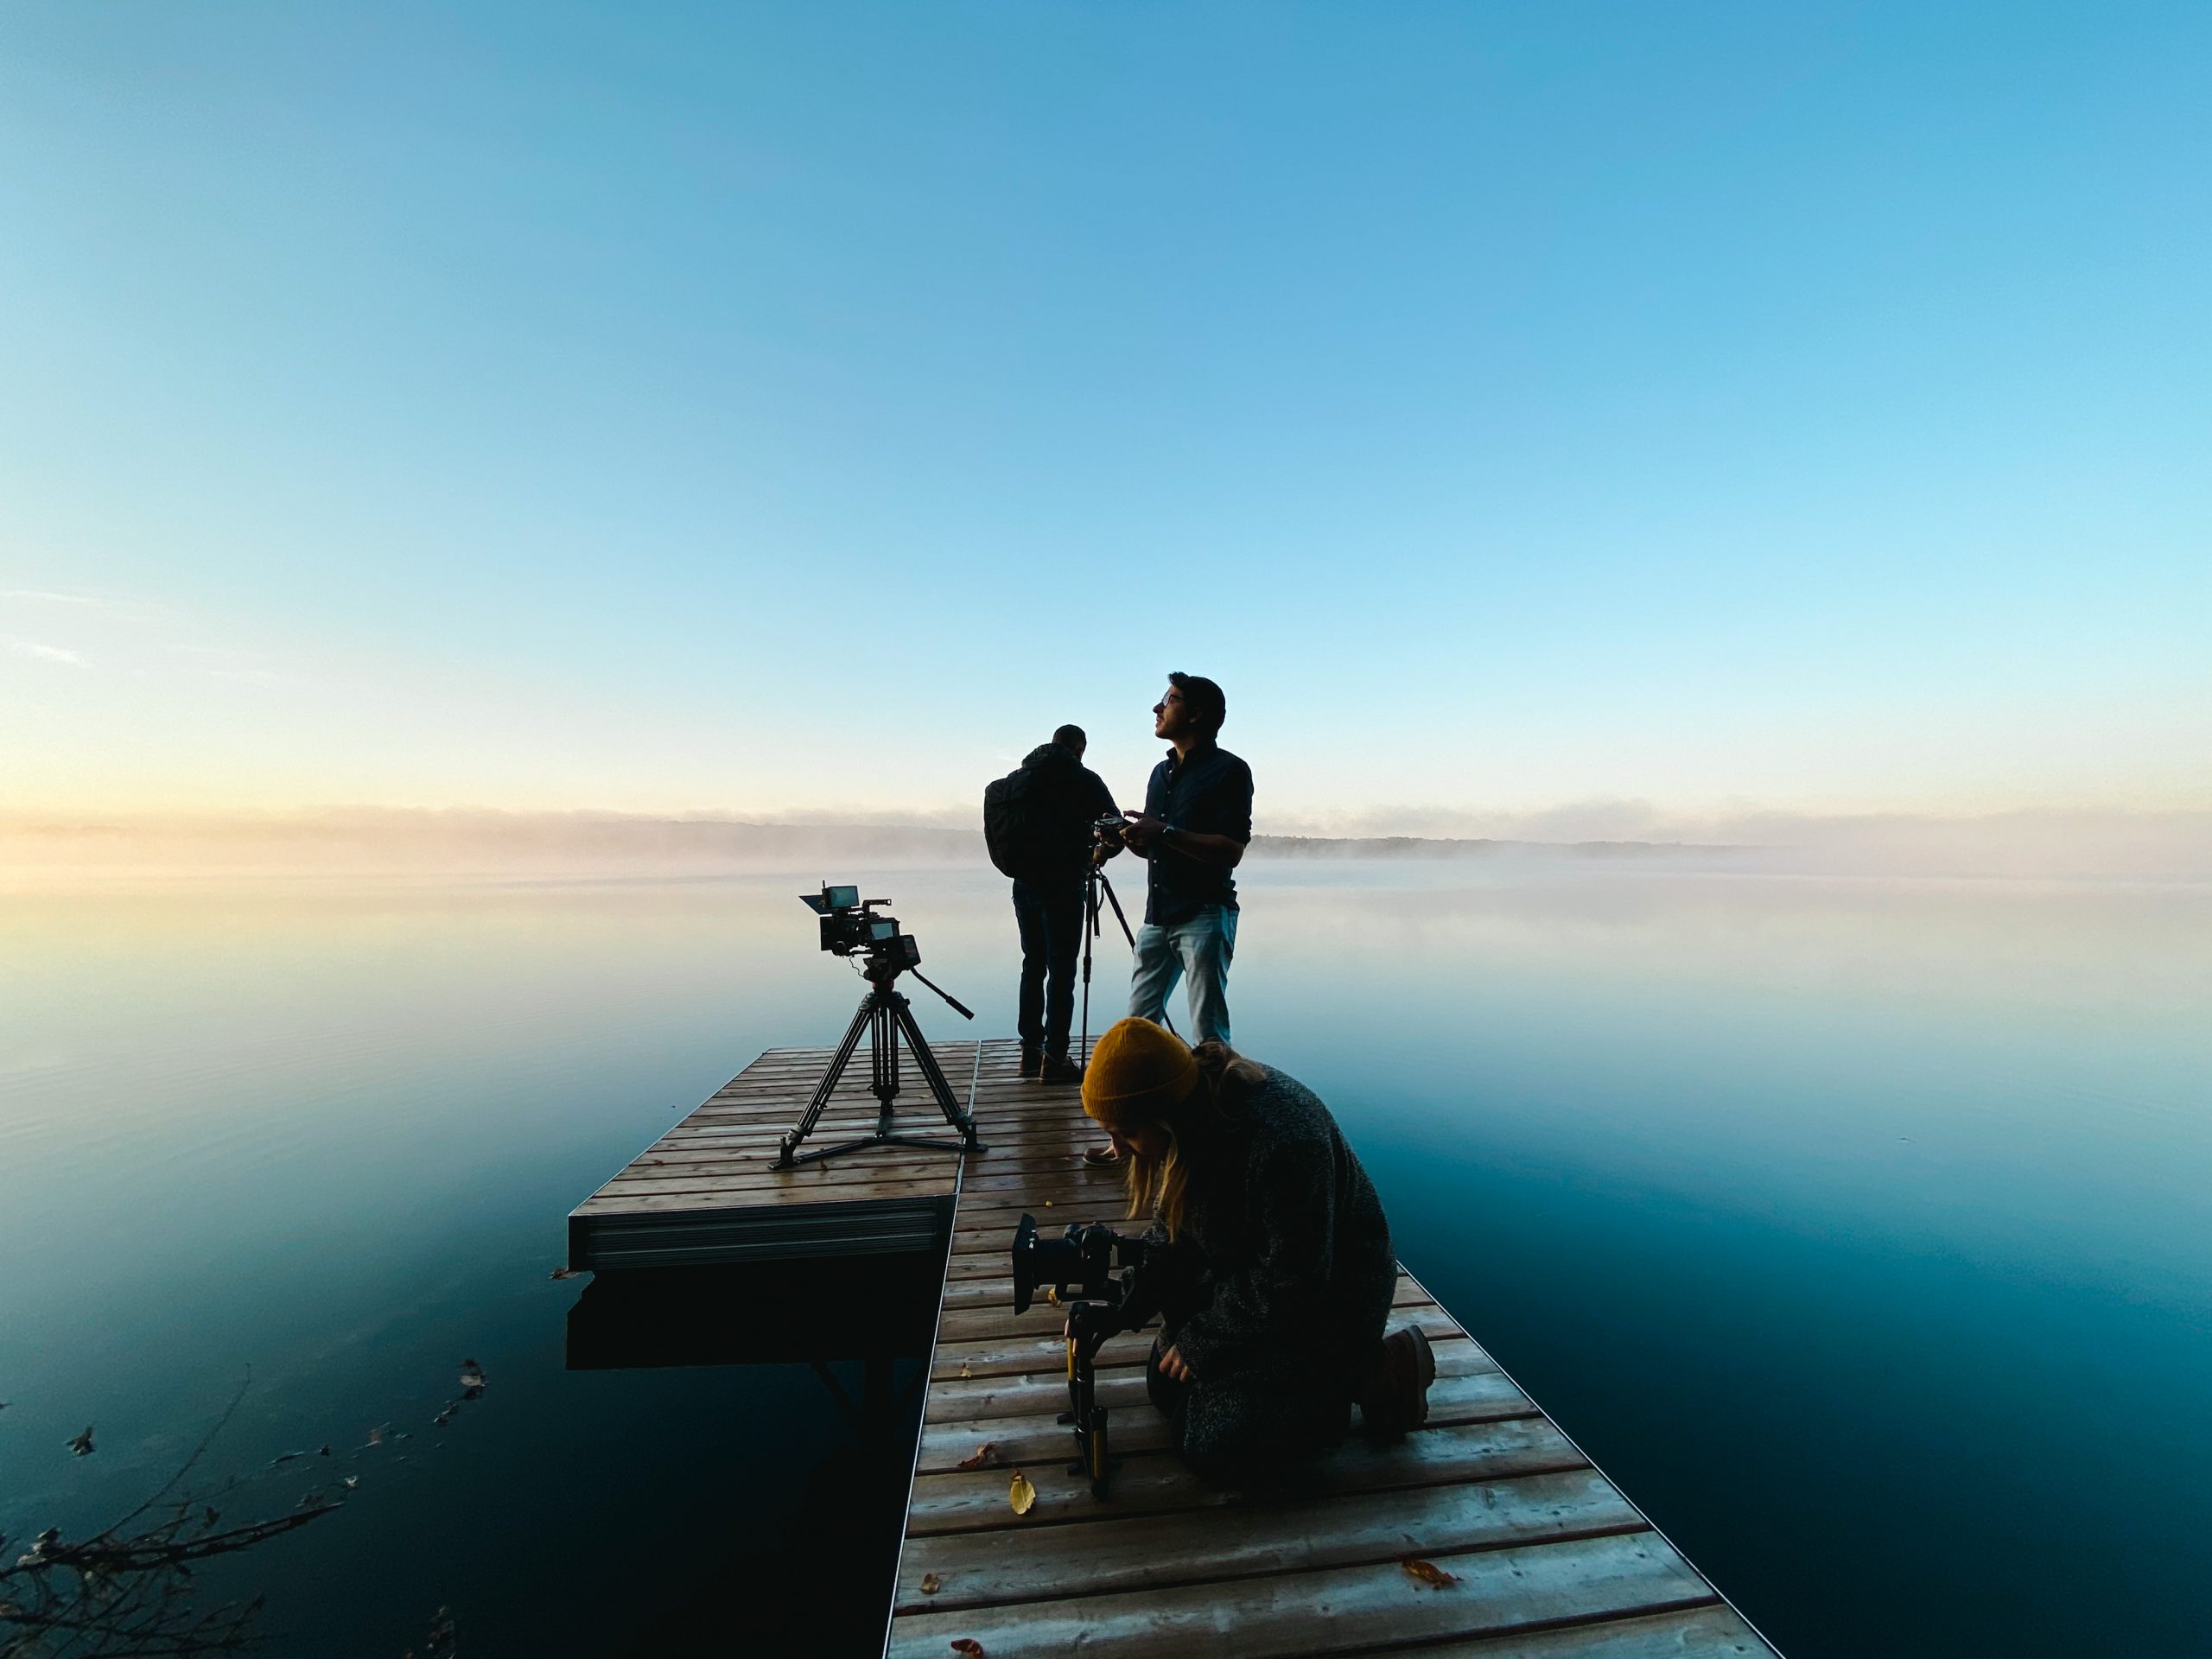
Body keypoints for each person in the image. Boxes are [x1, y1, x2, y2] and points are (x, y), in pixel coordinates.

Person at [1077, 1016, 1434, 1485]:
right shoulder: (1189, 1120)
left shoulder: (1284, 1139)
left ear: (1162, 1112)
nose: (1116, 1150)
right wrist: (1123, 1307)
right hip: (1252, 1275)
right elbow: (1172, 1239)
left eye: (1123, 1133)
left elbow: (1296, 1279)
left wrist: (1205, 1340)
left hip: (1332, 1298)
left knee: (1208, 1444)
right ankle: (1307, 1388)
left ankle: (1369, 1371)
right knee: (1164, 1388)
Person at [1088, 671, 1250, 1164]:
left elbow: (1230, 851)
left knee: (1208, 1036)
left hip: (1206, 914)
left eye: (1169, 701)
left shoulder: (1230, 771)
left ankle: (1213, 1141)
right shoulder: (1160, 774)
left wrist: (1164, 832)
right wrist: (1129, 840)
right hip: (1157, 917)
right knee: (1137, 1028)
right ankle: (1130, 1141)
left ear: (1197, 714)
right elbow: (1158, 846)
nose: (1157, 710)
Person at [992, 723, 1119, 1083]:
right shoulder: (1084, 780)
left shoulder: (1016, 781)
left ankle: (1029, 1053)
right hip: (1063, 885)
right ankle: (1056, 1058)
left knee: (1033, 963)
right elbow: (1114, 827)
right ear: (1079, 749)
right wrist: (1101, 853)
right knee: (1062, 970)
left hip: (1024, 884)